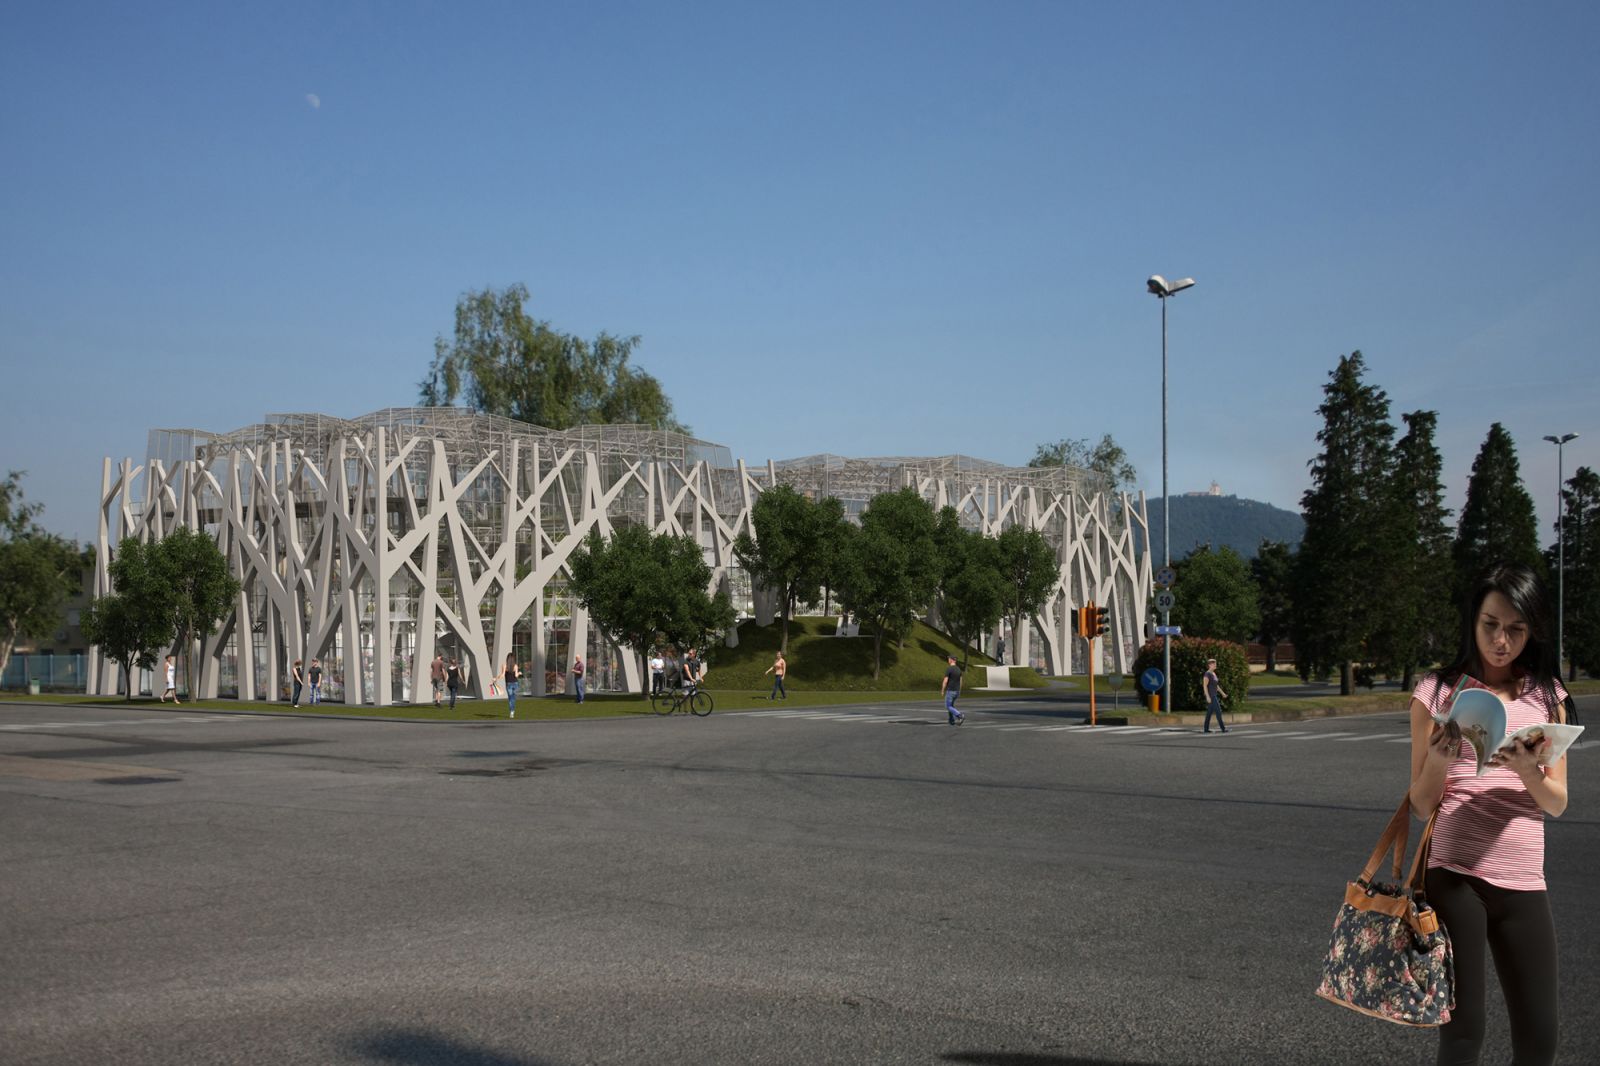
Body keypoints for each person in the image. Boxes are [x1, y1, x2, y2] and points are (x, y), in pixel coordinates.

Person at [1408, 562, 1573, 1066]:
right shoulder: (1436, 692)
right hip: (1454, 877)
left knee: (1539, 1036)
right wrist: (1438, 759)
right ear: (1472, 620)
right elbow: (1419, 804)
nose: (1502, 640)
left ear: (1533, 629)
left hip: (1523, 879)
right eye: (1491, 625)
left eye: (1516, 629)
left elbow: (1557, 802)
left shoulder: (1547, 697)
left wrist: (1528, 771)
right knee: (1463, 1034)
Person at [1202, 658, 1228, 733]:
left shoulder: (1213, 673)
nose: (1215, 665)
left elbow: (1216, 686)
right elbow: (1204, 686)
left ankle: (1206, 729)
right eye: (1213, 664)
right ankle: (1223, 729)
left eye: (1215, 664)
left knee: (1209, 713)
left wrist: (1223, 693)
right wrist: (1207, 696)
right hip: (1211, 696)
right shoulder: (1207, 674)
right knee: (1218, 711)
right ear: (1209, 665)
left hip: (1214, 695)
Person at [494, 652, 522, 718]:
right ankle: (512, 711)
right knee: (513, 698)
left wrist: (496, 678)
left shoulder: (504, 665)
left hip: (508, 684)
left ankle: (512, 711)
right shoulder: (515, 666)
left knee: (510, 698)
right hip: (515, 684)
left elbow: (502, 675)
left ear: (507, 658)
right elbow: (516, 675)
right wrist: (519, 673)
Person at [941, 654, 964, 725]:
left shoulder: (949, 669)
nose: (948, 660)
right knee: (951, 705)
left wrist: (942, 690)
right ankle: (951, 720)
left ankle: (959, 715)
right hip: (956, 691)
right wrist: (959, 690)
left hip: (950, 690)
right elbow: (961, 681)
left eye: (949, 659)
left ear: (952, 660)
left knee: (948, 706)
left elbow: (945, 680)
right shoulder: (958, 669)